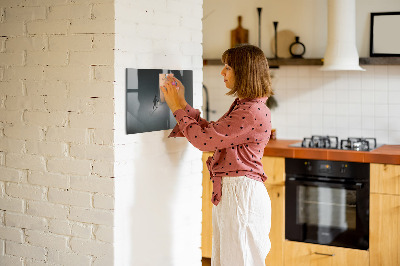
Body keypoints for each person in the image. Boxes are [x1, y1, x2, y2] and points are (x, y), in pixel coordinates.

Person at [161, 44, 273, 266]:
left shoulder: (250, 111)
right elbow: (212, 133)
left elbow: (204, 141)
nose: (222, 72)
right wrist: (182, 103)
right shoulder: (246, 106)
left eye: (228, 67)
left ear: (244, 72)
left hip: (241, 195)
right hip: (236, 193)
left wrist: (176, 107)